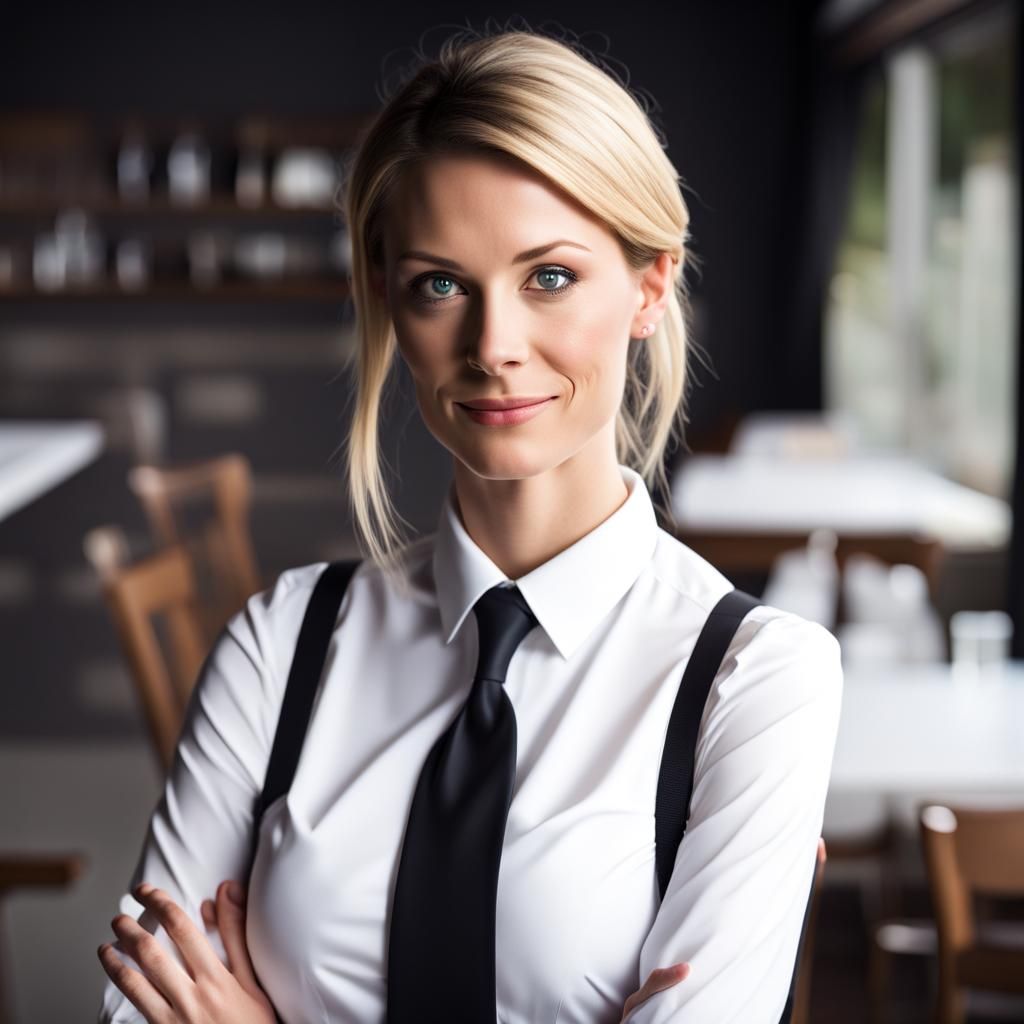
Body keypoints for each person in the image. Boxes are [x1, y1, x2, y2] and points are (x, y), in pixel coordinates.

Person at [96, 25, 843, 1024]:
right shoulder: (283, 644)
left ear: (649, 286)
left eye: (549, 277)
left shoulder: (757, 679)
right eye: (440, 285)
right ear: (388, 304)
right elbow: (135, 1009)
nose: (494, 347)